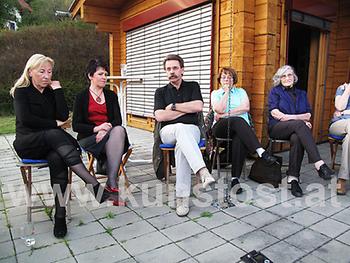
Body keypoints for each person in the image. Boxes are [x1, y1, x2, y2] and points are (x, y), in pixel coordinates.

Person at [10, 54, 119, 239]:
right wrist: (55, 124)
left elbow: (63, 115)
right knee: (56, 134)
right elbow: (27, 119)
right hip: (28, 142)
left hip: (51, 145)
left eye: (50, 72)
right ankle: (92, 183)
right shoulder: (22, 91)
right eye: (42, 71)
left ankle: (60, 217)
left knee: (57, 157)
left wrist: (58, 90)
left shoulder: (52, 91)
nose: (46, 75)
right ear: (30, 72)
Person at [154, 54, 215, 217]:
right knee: (180, 127)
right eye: (168, 69)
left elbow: (198, 106)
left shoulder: (193, 86)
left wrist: (173, 107)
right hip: (168, 133)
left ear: (182, 70)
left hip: (192, 131)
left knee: (182, 145)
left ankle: (182, 198)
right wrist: (184, 111)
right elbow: (160, 116)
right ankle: (202, 170)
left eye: (175, 68)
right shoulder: (160, 92)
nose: (171, 72)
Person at [268, 65, 334, 197]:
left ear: (294, 77)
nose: (287, 78)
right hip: (277, 128)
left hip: (295, 130)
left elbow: (308, 115)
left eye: (290, 75)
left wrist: (291, 119)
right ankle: (319, 164)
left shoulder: (302, 94)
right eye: (284, 76)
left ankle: (293, 179)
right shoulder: (275, 92)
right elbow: (275, 113)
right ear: (279, 79)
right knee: (299, 125)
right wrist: (299, 121)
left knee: (297, 138)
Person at [211, 67, 277, 194]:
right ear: (219, 80)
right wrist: (226, 93)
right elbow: (218, 109)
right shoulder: (215, 93)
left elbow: (246, 108)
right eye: (224, 77)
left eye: (229, 77)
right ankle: (260, 151)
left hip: (240, 130)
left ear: (234, 79)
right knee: (238, 120)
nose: (226, 79)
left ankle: (235, 179)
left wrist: (226, 114)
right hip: (221, 128)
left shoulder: (241, 92)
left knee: (239, 139)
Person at [72, 58, 130, 195]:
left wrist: (106, 130)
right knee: (116, 136)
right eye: (100, 74)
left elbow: (117, 120)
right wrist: (96, 129)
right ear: (90, 76)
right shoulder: (81, 97)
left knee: (119, 130)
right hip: (89, 138)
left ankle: (111, 182)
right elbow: (76, 125)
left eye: (105, 74)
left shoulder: (111, 95)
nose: (104, 77)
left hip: (109, 135)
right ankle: (112, 183)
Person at [329, 82, 350, 195]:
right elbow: (340, 106)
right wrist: (348, 90)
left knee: (349, 139)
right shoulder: (342, 88)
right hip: (339, 125)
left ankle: (342, 178)